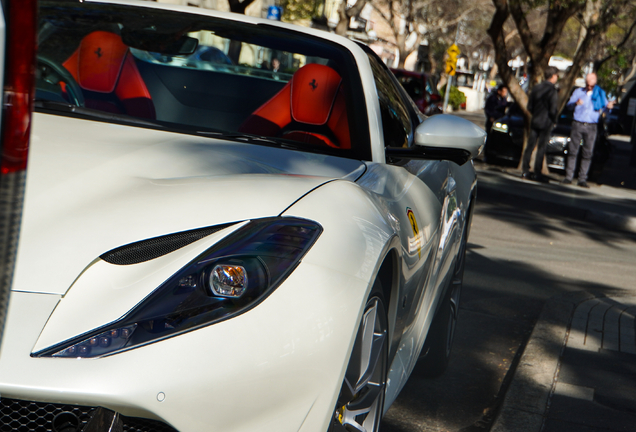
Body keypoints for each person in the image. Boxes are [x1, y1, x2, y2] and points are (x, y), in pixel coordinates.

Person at [562, 73, 614, 188]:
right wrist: (575, 103)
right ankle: (569, 176)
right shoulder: (578, 92)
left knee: (587, 152)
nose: (589, 87)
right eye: (588, 84)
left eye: (592, 85)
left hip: (591, 125)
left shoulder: (600, 93)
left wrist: (609, 107)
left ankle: (582, 178)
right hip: (578, 123)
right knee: (573, 150)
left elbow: (605, 108)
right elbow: (569, 105)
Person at [521, 66, 559, 182]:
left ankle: (525, 170)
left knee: (530, 146)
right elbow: (553, 109)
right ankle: (537, 172)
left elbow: (530, 106)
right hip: (546, 121)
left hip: (535, 119)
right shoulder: (552, 90)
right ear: (553, 76)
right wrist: (554, 120)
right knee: (541, 147)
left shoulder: (536, 88)